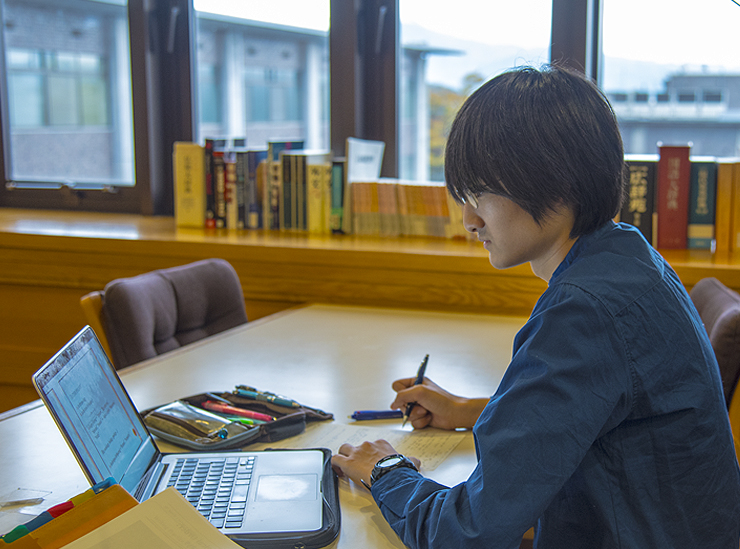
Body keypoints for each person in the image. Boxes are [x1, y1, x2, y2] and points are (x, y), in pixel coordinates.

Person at [331, 65, 740, 548]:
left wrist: (387, 470)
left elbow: (466, 533)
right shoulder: (629, 256)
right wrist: (468, 410)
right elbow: (601, 409)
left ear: (557, 183)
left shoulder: (583, 311)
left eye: (481, 192)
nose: (468, 219)